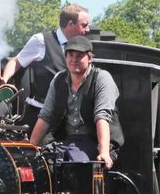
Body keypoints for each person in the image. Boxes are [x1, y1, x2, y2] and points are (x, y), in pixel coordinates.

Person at [29, 36, 123, 169]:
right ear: (65, 57)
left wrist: (104, 153)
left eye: (79, 55)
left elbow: (102, 117)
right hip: (65, 141)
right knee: (41, 163)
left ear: (90, 58)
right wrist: (30, 148)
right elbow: (45, 115)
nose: (74, 59)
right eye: (70, 55)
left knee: (78, 166)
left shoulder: (101, 78)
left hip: (94, 141)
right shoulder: (58, 79)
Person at [0, 4, 91, 129]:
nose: (88, 30)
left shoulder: (83, 46)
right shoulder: (40, 41)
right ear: (70, 24)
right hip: (41, 116)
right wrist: (5, 80)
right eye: (84, 25)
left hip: (68, 120)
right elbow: (16, 61)